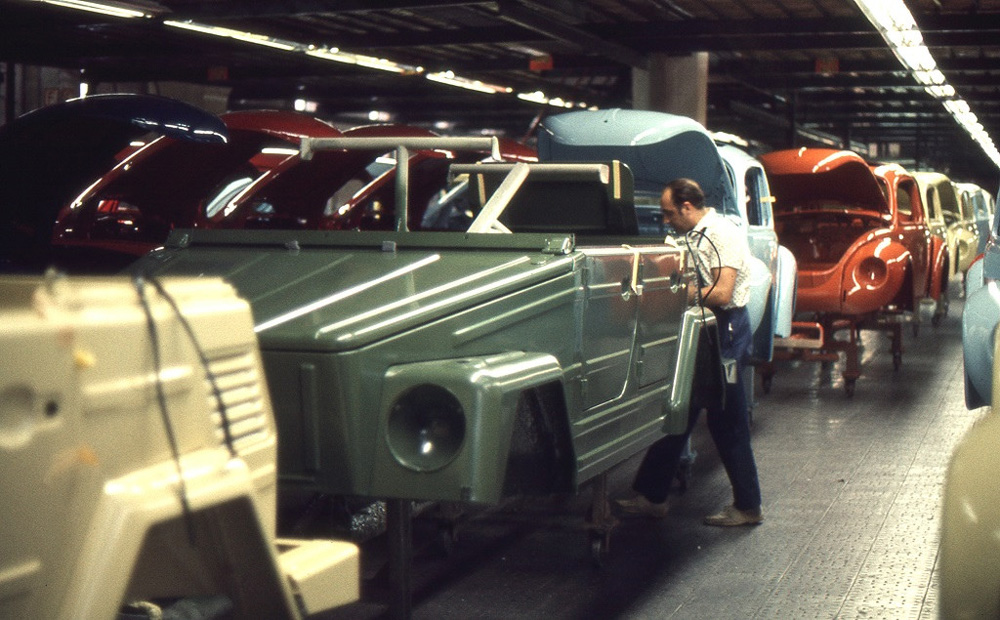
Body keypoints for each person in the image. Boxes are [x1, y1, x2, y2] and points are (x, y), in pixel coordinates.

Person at [615, 178, 763, 526]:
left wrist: (681, 292)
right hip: (699, 327)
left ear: (687, 207)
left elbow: (723, 293)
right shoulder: (685, 236)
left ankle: (749, 506)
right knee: (678, 409)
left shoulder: (722, 234)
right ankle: (653, 496)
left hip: (724, 329)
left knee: (728, 421)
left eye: (670, 214)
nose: (666, 221)